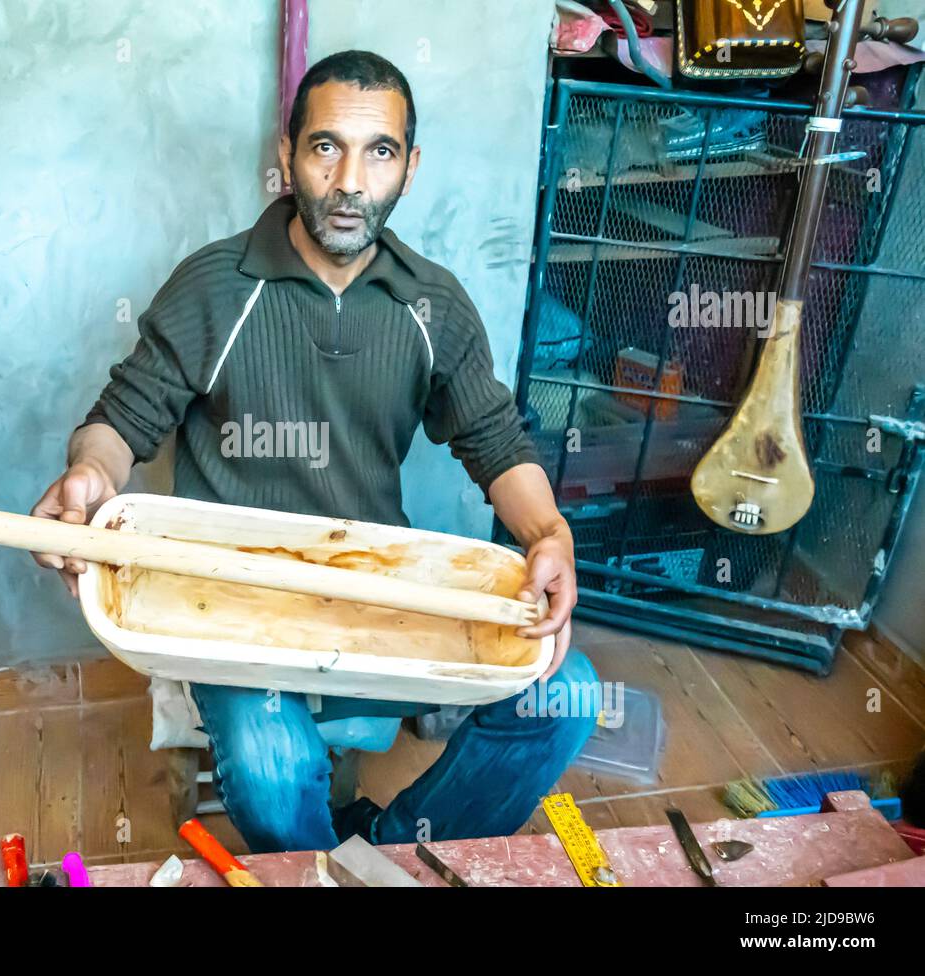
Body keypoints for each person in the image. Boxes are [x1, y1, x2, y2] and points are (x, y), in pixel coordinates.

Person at [31, 50, 598, 853]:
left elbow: (497, 441)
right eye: (326, 147)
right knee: (271, 759)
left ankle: (383, 856)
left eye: (380, 152)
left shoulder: (433, 304)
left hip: (376, 594)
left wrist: (550, 536)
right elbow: (122, 420)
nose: (349, 183)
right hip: (226, 602)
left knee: (567, 697)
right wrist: (88, 476)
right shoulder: (215, 287)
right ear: (287, 153)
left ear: (411, 166)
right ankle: (319, 868)